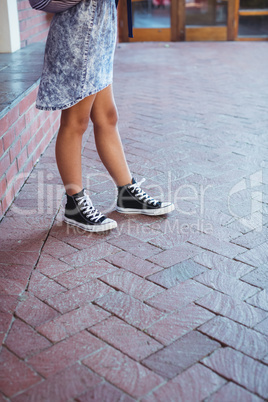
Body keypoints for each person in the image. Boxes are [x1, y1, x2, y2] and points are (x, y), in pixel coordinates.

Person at [36, 0, 174, 232]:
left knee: (107, 117)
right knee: (75, 122)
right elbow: (39, 1)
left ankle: (127, 192)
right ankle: (75, 202)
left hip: (99, 34)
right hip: (76, 38)